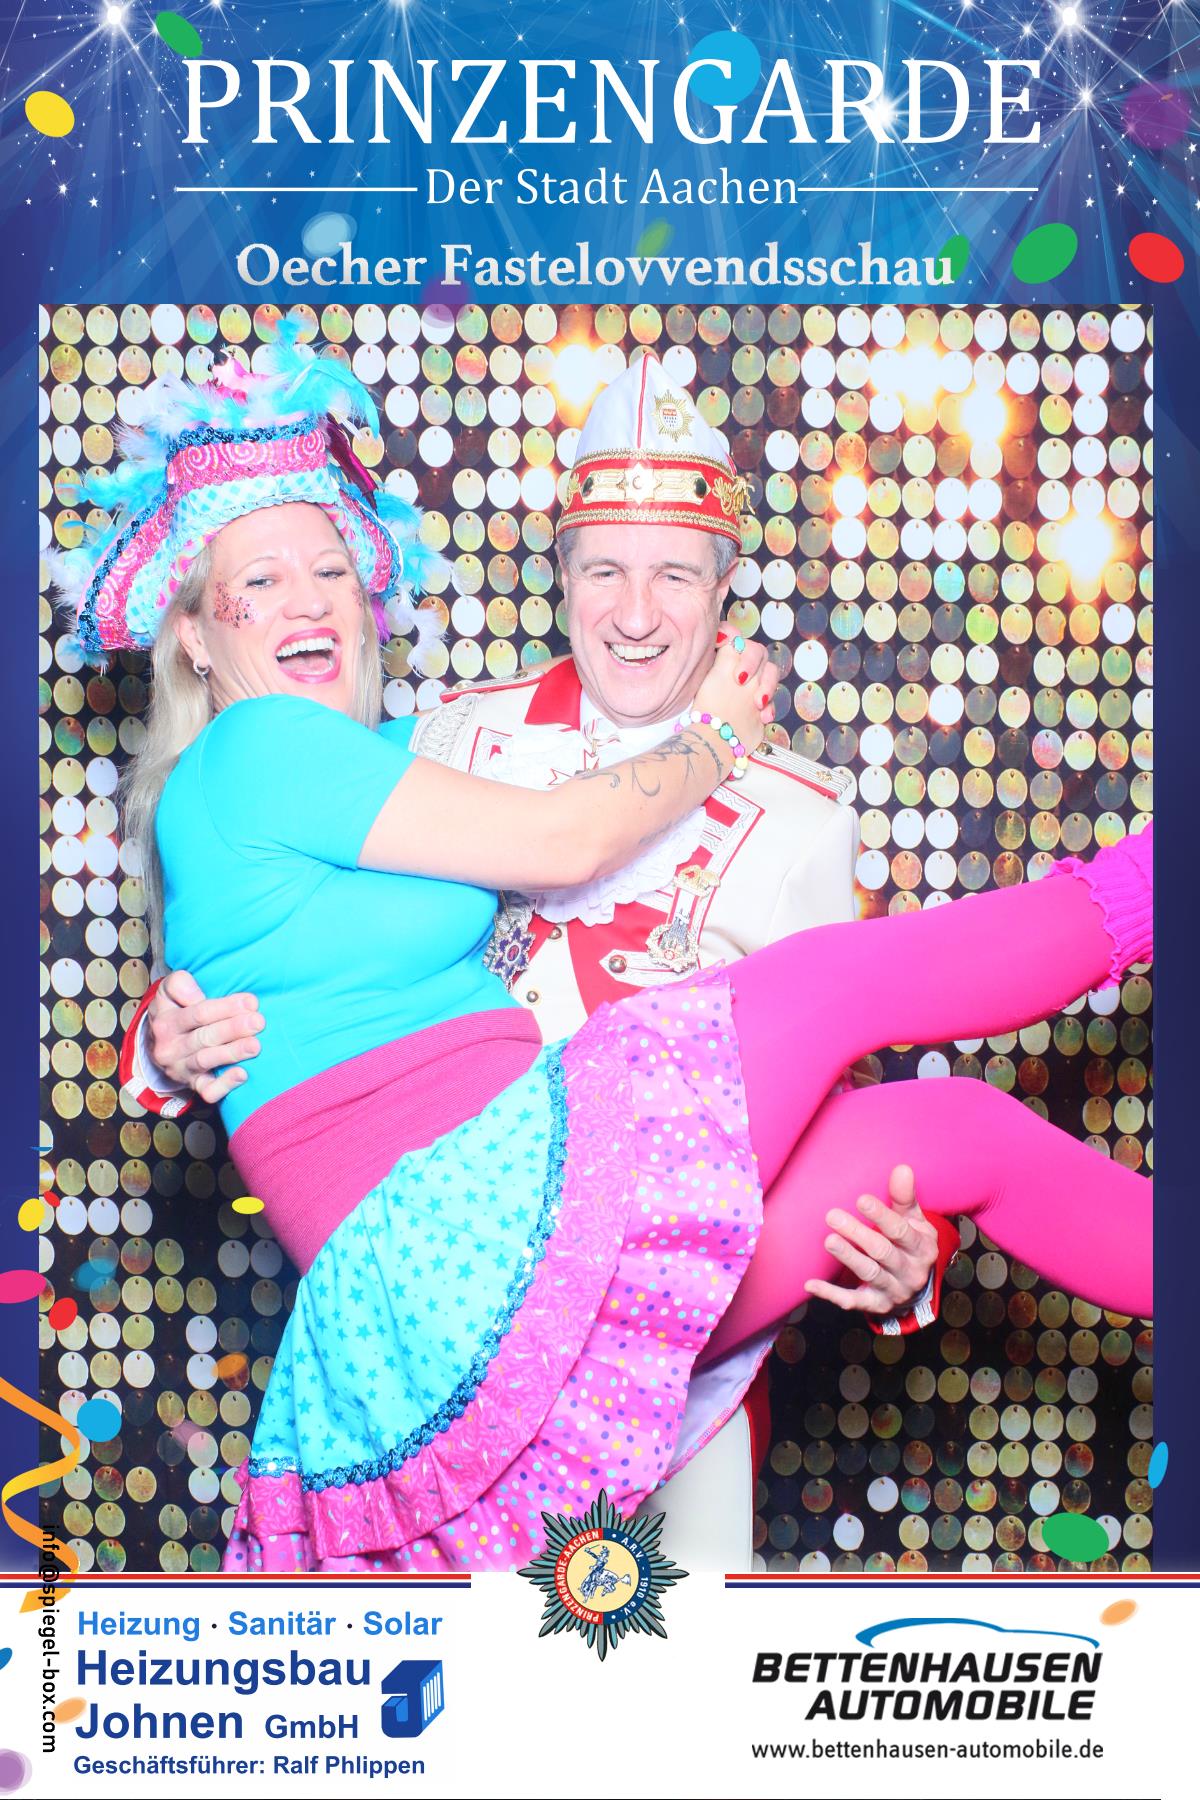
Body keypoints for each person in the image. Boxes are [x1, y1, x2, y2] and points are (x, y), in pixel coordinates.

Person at [61, 327, 1153, 1576]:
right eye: (606, 571)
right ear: (562, 578)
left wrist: (912, 1257)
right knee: (831, 987)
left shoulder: (799, 812)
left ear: (725, 591)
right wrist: (164, 1039)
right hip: (469, 1257)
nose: (637, 613)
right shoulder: (448, 741)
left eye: (675, 574)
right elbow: (301, 921)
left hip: (623, 1312)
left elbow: (822, 1114)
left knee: (951, 1132)